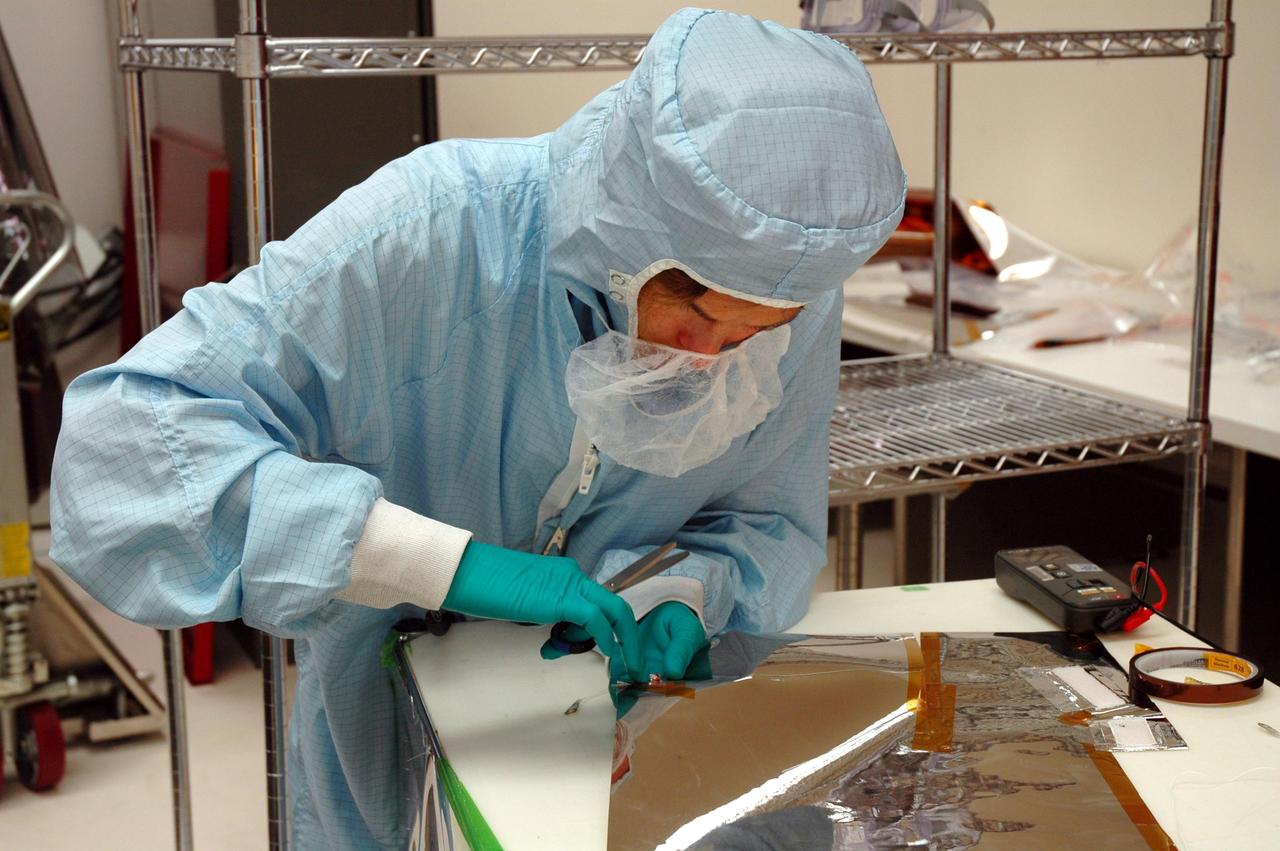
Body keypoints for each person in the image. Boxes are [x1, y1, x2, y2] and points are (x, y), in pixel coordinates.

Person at [50, 7, 904, 848]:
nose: (711, 357)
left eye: (756, 329)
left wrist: (688, 591)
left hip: (618, 772)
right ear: (632, 231)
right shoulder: (433, 233)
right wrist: (431, 563)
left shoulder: (791, 297)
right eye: (694, 310)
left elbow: (766, 516)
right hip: (379, 749)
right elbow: (124, 447)